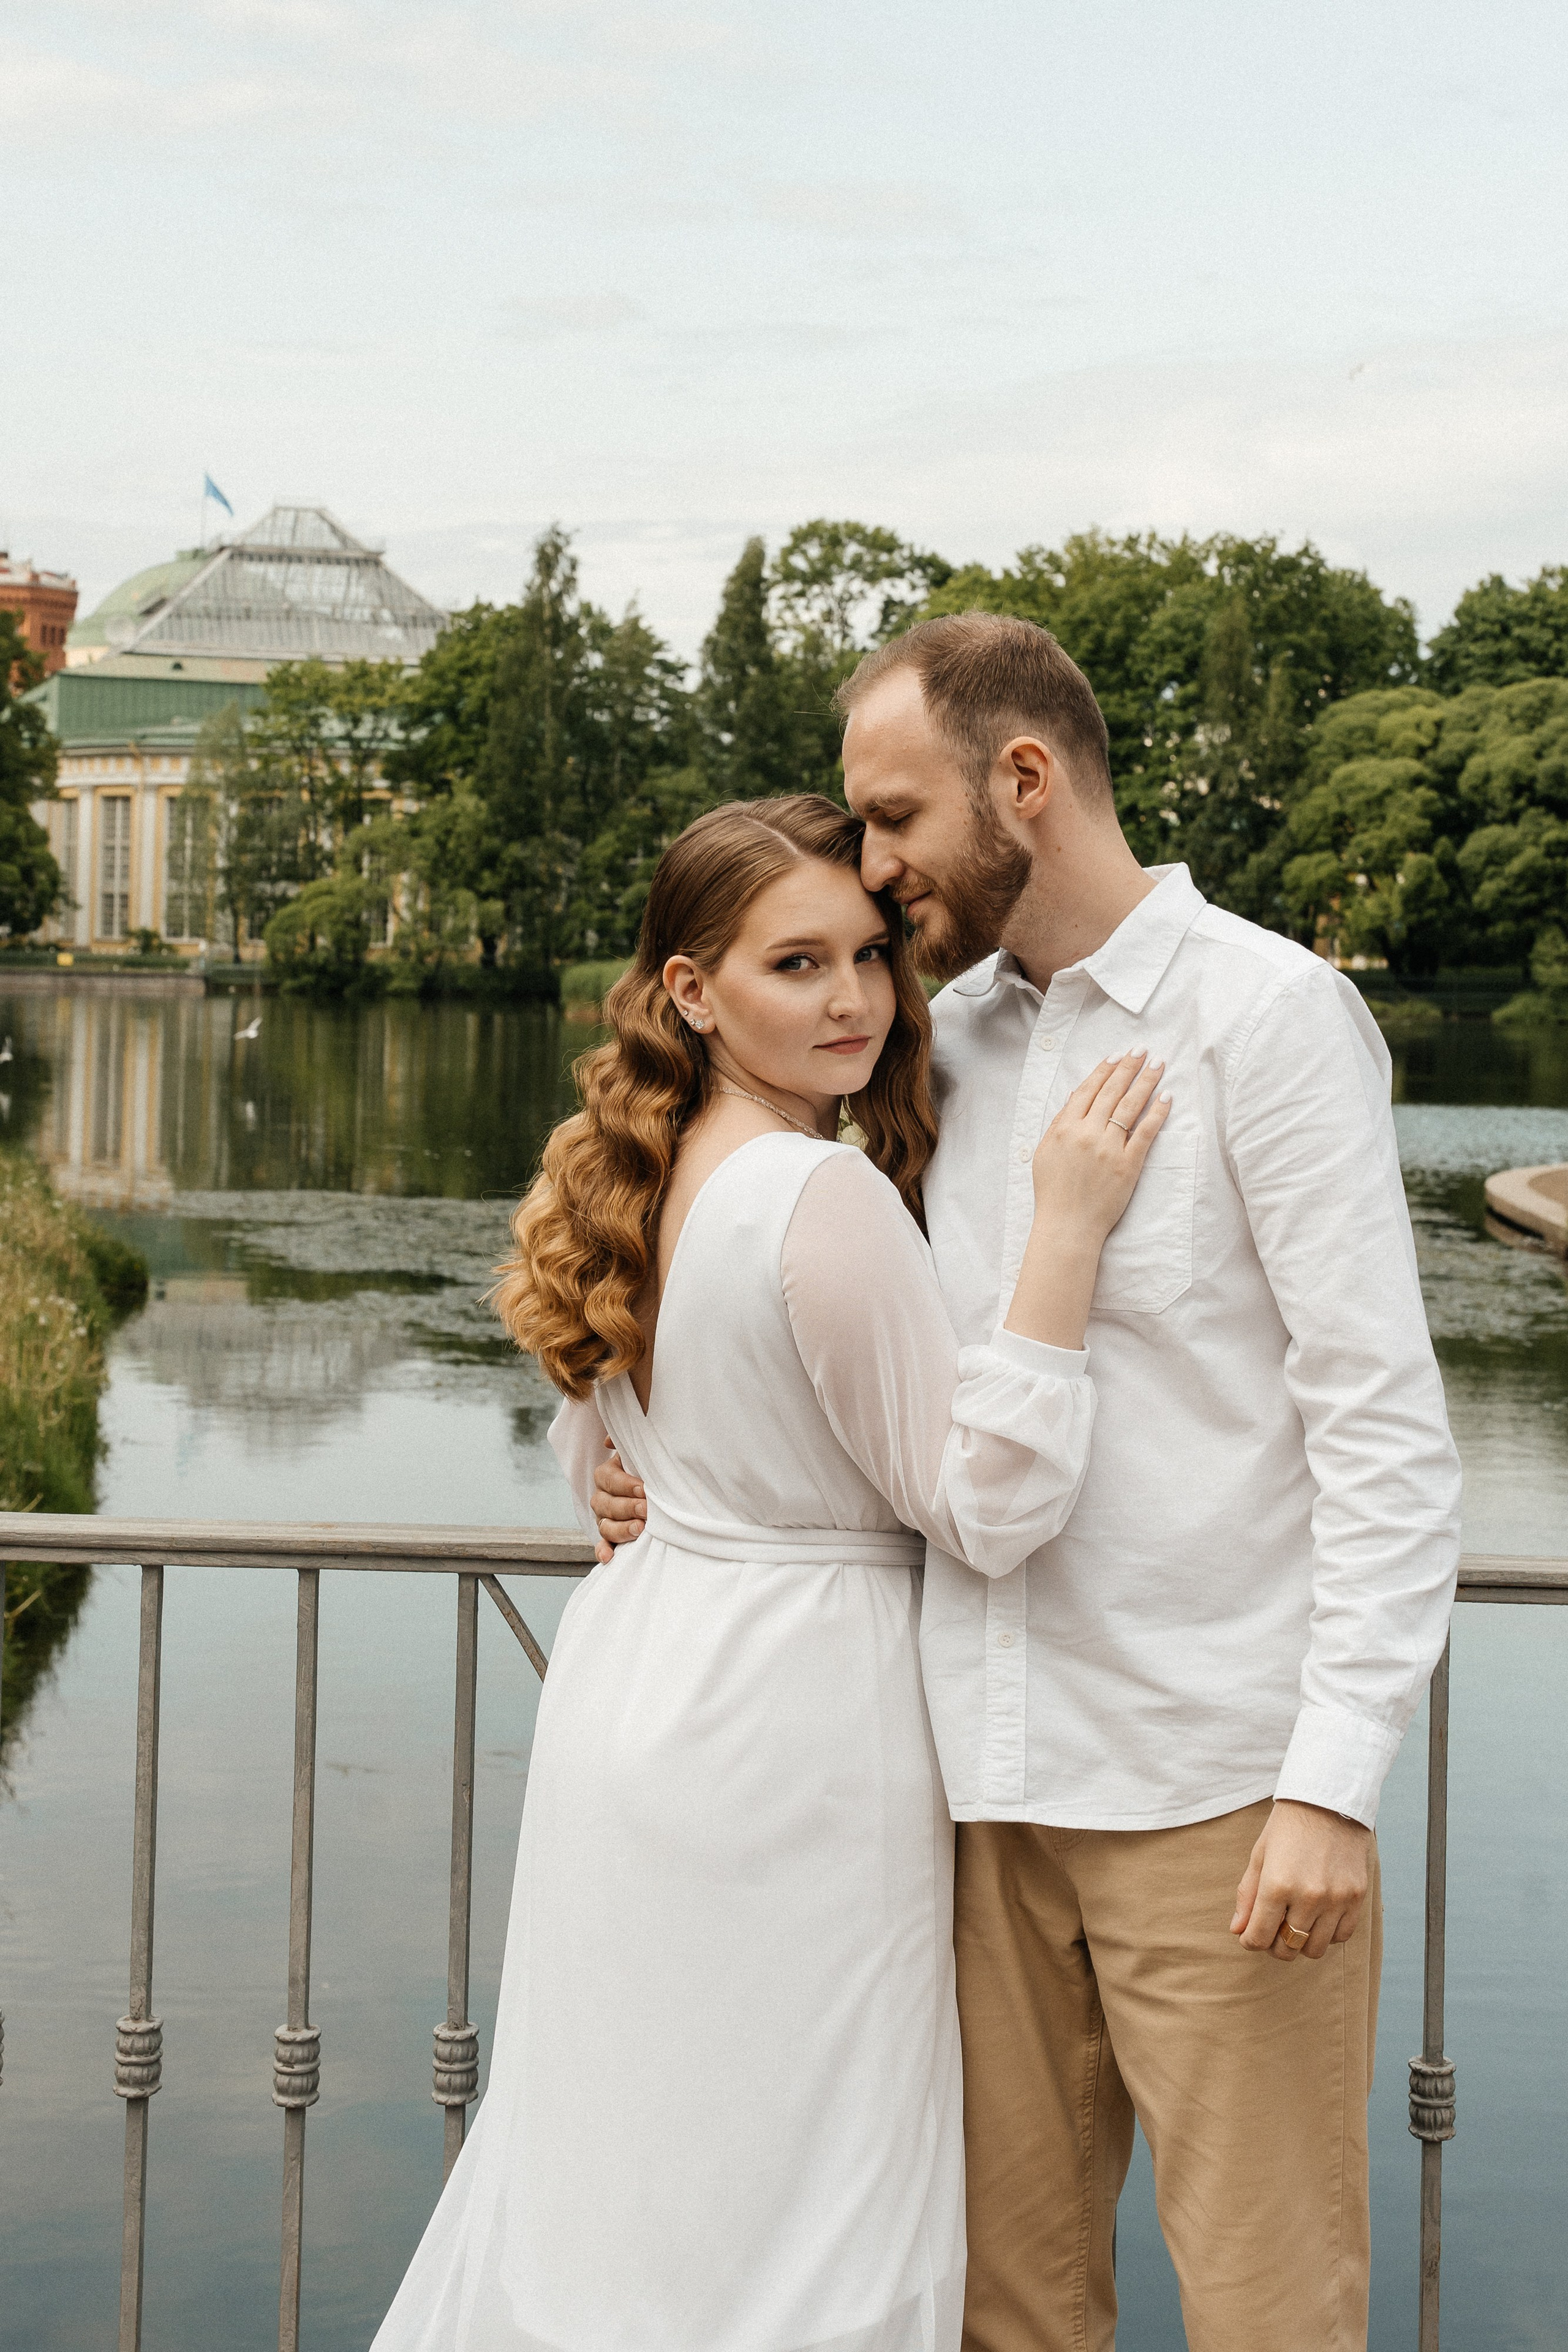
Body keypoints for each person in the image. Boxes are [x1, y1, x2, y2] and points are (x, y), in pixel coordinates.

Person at [593, 617, 1464, 2351]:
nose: (873, 861)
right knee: (1004, 2315)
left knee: (1269, 2311)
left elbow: (1381, 1426)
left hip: (1212, 1798)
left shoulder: (1270, 1018)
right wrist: (656, 1486)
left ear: (1026, 781)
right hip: (970, 1797)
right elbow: (841, 1350)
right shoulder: (936, 1041)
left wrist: (1333, 1782)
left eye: (896, 816)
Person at [372, 793, 1172, 2352]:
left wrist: (630, 1493)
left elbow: (597, 1448)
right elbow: (985, 1503)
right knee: (806, 2190)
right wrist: (1063, 1241)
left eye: (870, 956)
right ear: (690, 988)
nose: (855, 1001)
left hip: (640, 1689)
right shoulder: (818, 1192)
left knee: (632, 2174)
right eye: (795, 964)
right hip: (797, 1722)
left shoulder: (636, 1173)